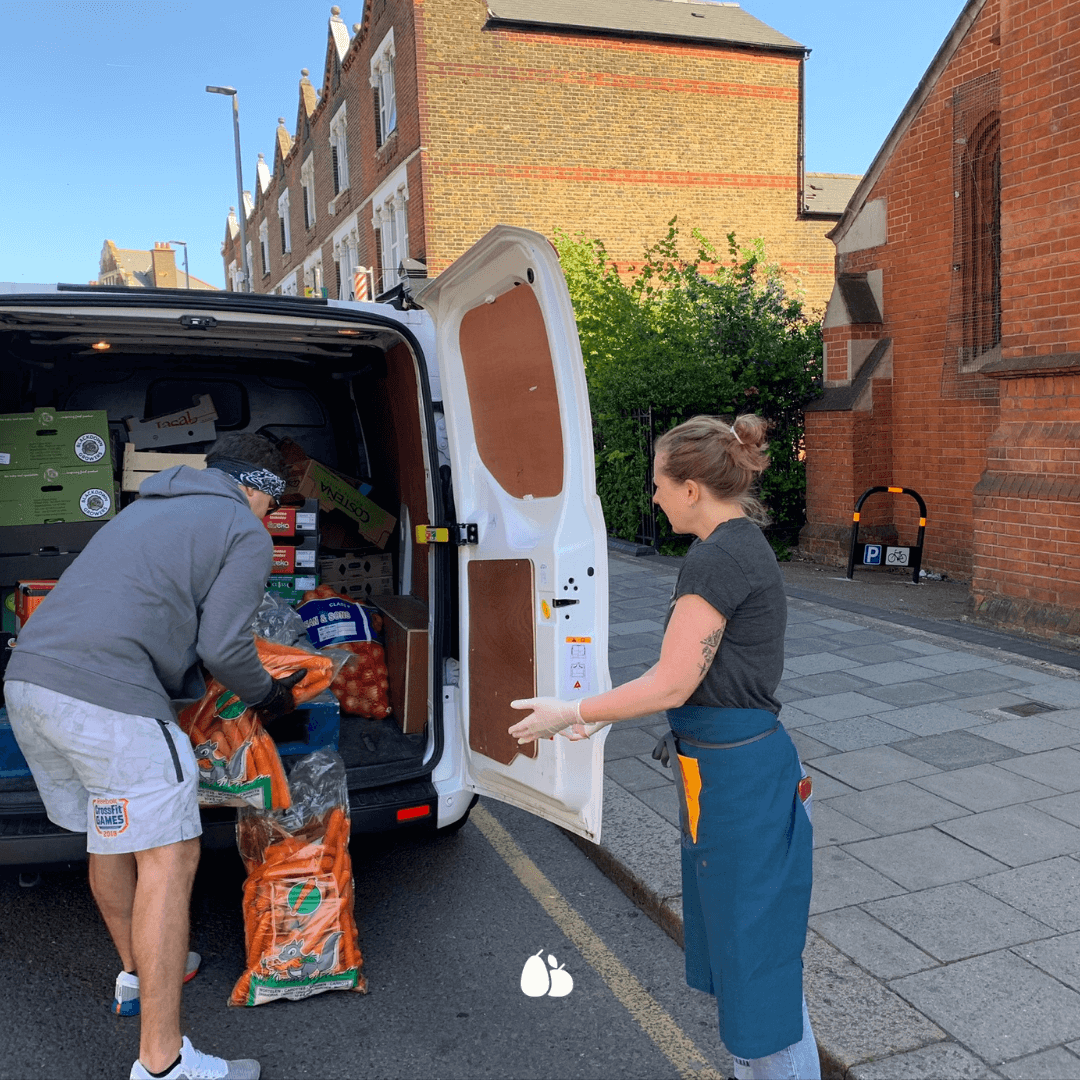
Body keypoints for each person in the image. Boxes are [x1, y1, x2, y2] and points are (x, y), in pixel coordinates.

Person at [509, 414, 819, 1080]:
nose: (652, 497)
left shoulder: (717, 558)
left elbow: (674, 680)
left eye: (658, 484)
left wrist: (574, 710)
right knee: (751, 960)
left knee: (756, 970)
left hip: (740, 782)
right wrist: (605, 716)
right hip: (736, 771)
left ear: (691, 490)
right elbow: (688, 678)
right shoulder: (738, 544)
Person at [4, 432, 305, 1080]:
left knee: (110, 830)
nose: (271, 515)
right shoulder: (242, 528)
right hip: (106, 696)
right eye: (273, 503)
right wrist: (270, 695)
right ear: (260, 489)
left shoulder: (146, 508)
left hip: (29, 684)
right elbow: (224, 646)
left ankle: (136, 975)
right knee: (171, 855)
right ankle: (163, 1064)